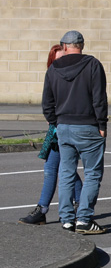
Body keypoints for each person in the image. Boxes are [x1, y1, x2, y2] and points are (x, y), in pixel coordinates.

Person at [41, 30, 108, 235]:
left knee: (66, 173)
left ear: (64, 46)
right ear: (82, 45)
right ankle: (84, 219)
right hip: (88, 126)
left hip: (64, 127)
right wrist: (102, 125)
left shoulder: (53, 69)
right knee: (92, 173)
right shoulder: (93, 65)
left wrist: (56, 122)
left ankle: (67, 219)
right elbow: (99, 99)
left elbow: (47, 103)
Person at [19, 45, 83, 225]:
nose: (60, 63)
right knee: (53, 169)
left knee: (64, 168)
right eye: (56, 60)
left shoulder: (74, 76)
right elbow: (48, 101)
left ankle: (75, 206)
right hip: (55, 128)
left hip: (69, 127)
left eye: (63, 58)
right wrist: (51, 117)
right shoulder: (52, 76)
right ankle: (47, 209)